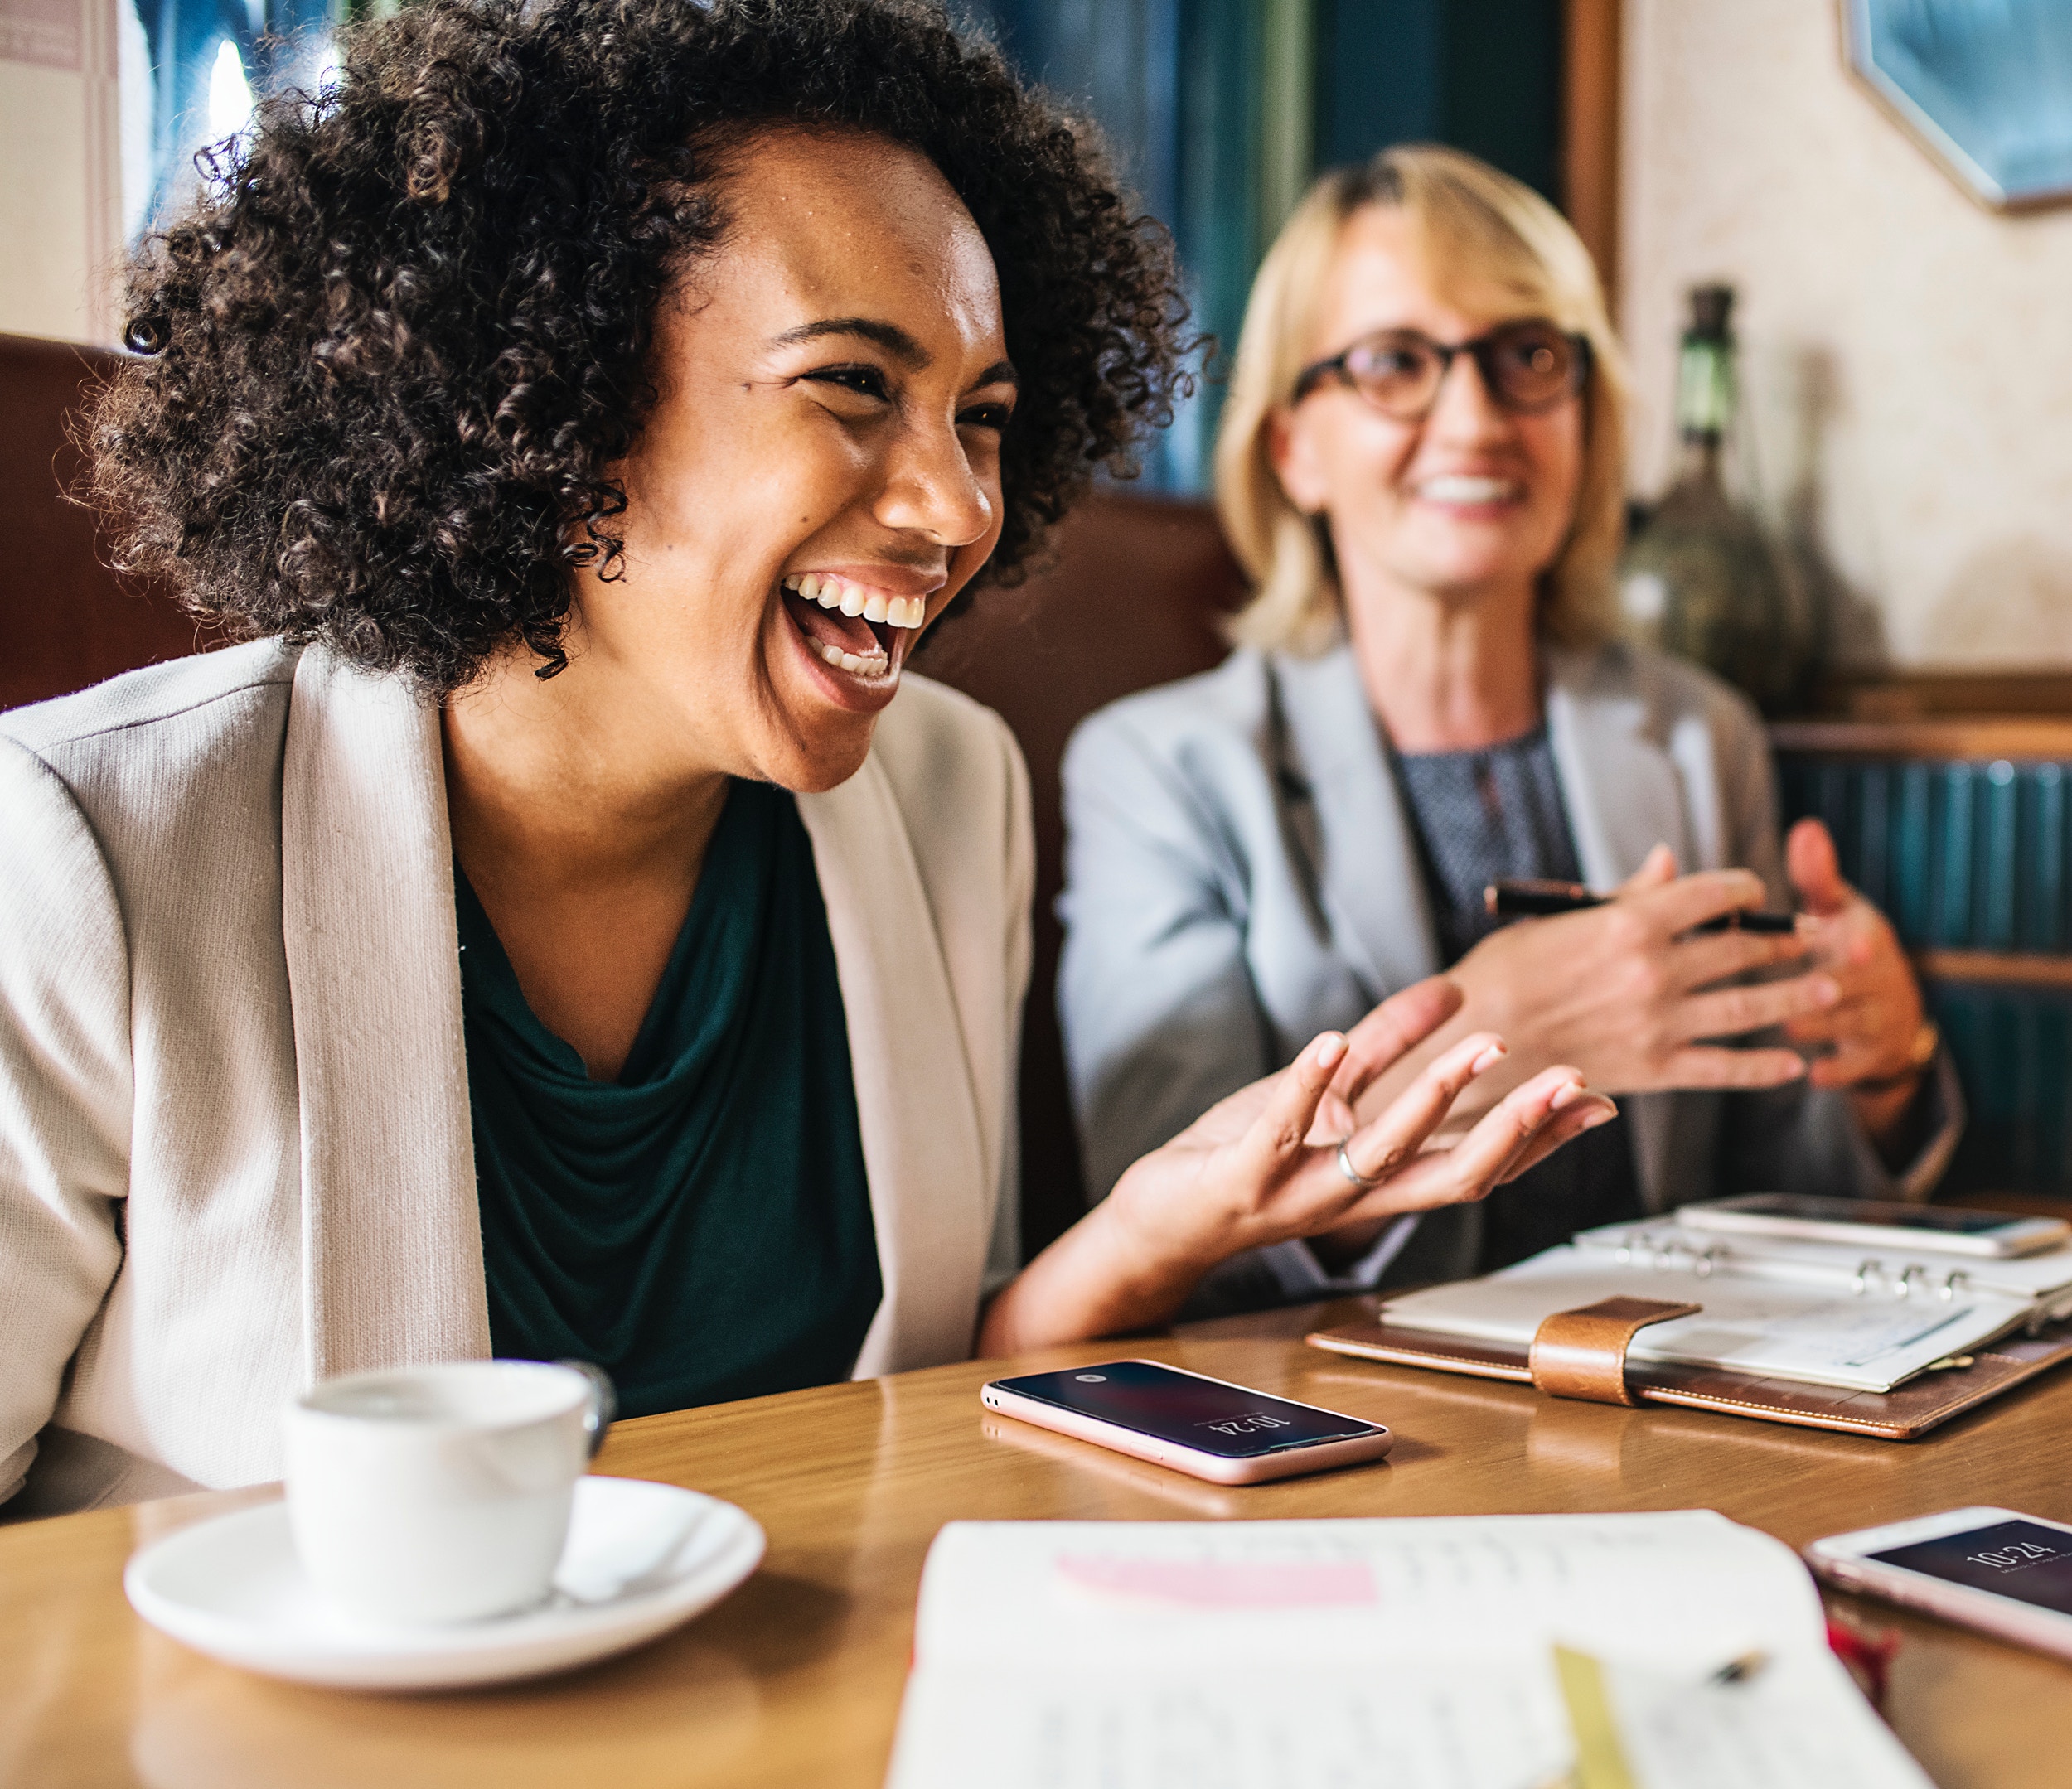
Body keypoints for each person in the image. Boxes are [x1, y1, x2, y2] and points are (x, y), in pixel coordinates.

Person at [0, 7, 1611, 1517]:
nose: (958, 506)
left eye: (979, 417)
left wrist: (1142, 1233)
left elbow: (901, 1398)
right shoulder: (84, 850)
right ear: (551, 402)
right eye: (851, 384)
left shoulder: (948, 796)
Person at [1058, 144, 1959, 1318]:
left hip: (1667, 1408)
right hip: (1343, 1436)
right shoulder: (1158, 770)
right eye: (1394, 363)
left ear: (1584, 417)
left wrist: (1885, 1067)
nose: (1478, 418)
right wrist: (1496, 1034)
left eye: (1528, 356)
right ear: (1296, 448)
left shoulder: (1700, 736)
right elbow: (1169, 1231)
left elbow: (1779, 1196)